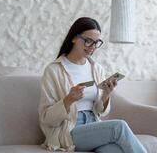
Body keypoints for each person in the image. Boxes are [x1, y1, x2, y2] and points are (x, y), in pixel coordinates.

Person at [38, 17, 147, 153]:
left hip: (94, 126)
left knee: (115, 150)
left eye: (96, 42)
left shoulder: (96, 69)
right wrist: (68, 99)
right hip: (70, 131)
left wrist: (106, 94)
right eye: (88, 41)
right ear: (73, 38)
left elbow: (101, 111)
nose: (92, 47)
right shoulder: (53, 70)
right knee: (119, 126)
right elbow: (46, 119)